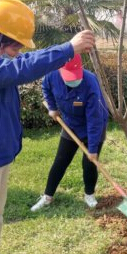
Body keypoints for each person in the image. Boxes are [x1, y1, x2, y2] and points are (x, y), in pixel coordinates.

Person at [0, 0, 95, 254]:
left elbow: (28, 59)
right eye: (15, 45)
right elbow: (20, 68)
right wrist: (68, 48)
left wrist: (63, 52)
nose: (18, 52)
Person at [30, 54, 108, 211]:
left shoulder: (90, 82)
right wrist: (52, 108)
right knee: (61, 160)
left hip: (93, 126)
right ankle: (47, 196)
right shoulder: (52, 75)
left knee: (89, 163)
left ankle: (89, 195)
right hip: (70, 124)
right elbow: (46, 88)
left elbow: (94, 119)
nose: (73, 80)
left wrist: (92, 149)